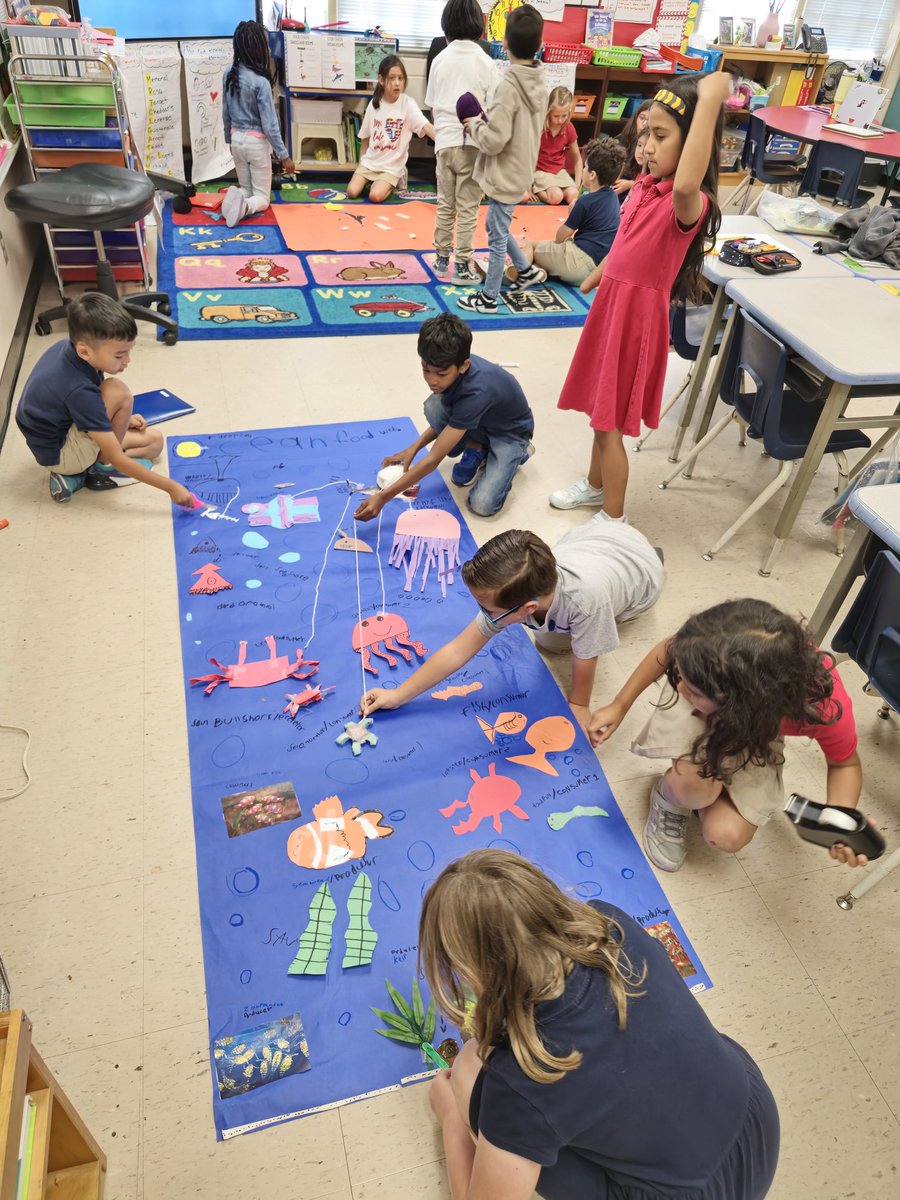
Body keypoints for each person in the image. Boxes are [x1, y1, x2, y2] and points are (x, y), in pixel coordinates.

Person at [421, 849, 781, 1200]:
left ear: (470, 972)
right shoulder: (609, 922)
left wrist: (452, 1119)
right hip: (755, 1125)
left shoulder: (519, 1078)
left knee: (470, 1069)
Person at [551, 73, 729, 520]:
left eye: (661, 136)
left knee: (610, 428)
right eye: (646, 131)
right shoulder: (644, 189)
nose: (647, 145)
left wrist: (708, 102)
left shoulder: (687, 202)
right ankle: (595, 487)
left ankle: (614, 523)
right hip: (612, 313)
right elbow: (625, 245)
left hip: (636, 323)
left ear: (692, 146)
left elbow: (688, 185)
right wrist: (597, 275)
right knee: (600, 412)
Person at [589, 598, 868, 873]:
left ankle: (704, 787)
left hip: (756, 723)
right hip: (733, 704)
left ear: (738, 705)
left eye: (693, 692)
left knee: (727, 835)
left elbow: (845, 764)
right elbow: (668, 650)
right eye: (680, 679)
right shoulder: (719, 643)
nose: (680, 690)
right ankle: (671, 796)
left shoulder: (826, 708)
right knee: (693, 786)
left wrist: (839, 819)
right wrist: (619, 704)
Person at [360, 524, 663, 733]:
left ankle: (654, 556)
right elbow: (457, 650)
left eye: (488, 610)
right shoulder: (521, 588)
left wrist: (579, 704)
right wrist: (398, 695)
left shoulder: (587, 605)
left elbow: (586, 658)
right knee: (549, 640)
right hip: (602, 536)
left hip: (642, 572)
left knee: (554, 644)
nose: (483, 615)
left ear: (528, 608)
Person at [15, 293, 194, 508]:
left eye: (128, 352)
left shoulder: (71, 347)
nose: (127, 361)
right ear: (84, 351)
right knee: (118, 392)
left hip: (60, 434)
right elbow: (117, 457)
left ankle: (82, 474)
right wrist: (171, 488)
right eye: (119, 356)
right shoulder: (80, 390)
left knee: (154, 443)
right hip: (60, 453)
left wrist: (121, 420)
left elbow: (69, 407)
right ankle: (94, 471)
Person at [353, 313, 533, 521]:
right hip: (479, 421)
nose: (432, 380)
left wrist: (383, 497)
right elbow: (455, 418)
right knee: (434, 405)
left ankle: (519, 452)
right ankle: (478, 446)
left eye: (441, 374)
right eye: (426, 370)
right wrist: (414, 447)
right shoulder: (450, 362)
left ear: (463, 366)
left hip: (509, 434)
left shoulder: (477, 392)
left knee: (482, 504)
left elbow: (433, 460)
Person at [457, 4, 548, 314]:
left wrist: (474, 124)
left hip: (505, 172)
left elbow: (494, 141)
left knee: (495, 236)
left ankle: (488, 298)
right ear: (539, 45)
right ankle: (526, 269)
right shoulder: (539, 78)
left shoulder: (509, 85)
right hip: (521, 169)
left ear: (505, 42)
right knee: (499, 225)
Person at [426, 0, 497, 284]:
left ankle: (442, 260)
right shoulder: (487, 62)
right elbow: (493, 110)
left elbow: (432, 105)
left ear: (447, 26)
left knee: (445, 203)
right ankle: (463, 265)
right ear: (479, 26)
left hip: (444, 144)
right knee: (468, 206)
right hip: (473, 144)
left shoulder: (440, 59)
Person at [522, 137, 624, 288]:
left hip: (577, 264)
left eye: (585, 167)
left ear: (592, 175)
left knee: (532, 246)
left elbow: (560, 238)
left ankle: (517, 272)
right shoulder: (613, 197)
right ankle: (539, 272)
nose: (582, 169)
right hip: (598, 270)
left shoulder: (584, 202)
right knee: (545, 258)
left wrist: (571, 214)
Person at [221, 20, 295, 228]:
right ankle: (245, 208)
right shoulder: (260, 82)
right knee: (262, 198)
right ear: (258, 49)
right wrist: (284, 156)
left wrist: (229, 139)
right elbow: (270, 124)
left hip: (236, 141)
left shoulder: (228, 74)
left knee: (246, 188)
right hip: (256, 144)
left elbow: (225, 113)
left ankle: (234, 199)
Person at [348, 55, 436, 204]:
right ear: (381, 80)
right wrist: (361, 165)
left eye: (400, 79)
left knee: (375, 196)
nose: (397, 83)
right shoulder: (374, 104)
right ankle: (372, 181)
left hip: (391, 167)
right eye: (392, 78)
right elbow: (365, 139)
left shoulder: (407, 104)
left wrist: (446, 140)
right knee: (352, 192)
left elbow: (426, 126)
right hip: (370, 163)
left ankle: (396, 179)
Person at [530, 86, 582, 206]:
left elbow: (577, 159)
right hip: (540, 171)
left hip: (559, 171)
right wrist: (529, 185)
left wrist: (577, 184)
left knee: (573, 195)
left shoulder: (568, 127)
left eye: (564, 116)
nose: (560, 120)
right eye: (556, 116)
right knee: (556, 197)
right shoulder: (540, 127)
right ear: (549, 111)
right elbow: (528, 157)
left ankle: (554, 190)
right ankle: (538, 191)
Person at [612, 99, 652, 200]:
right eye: (641, 118)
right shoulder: (624, 138)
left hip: (640, 190)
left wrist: (630, 184)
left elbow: (654, 182)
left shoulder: (655, 146)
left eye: (649, 119)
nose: (644, 123)